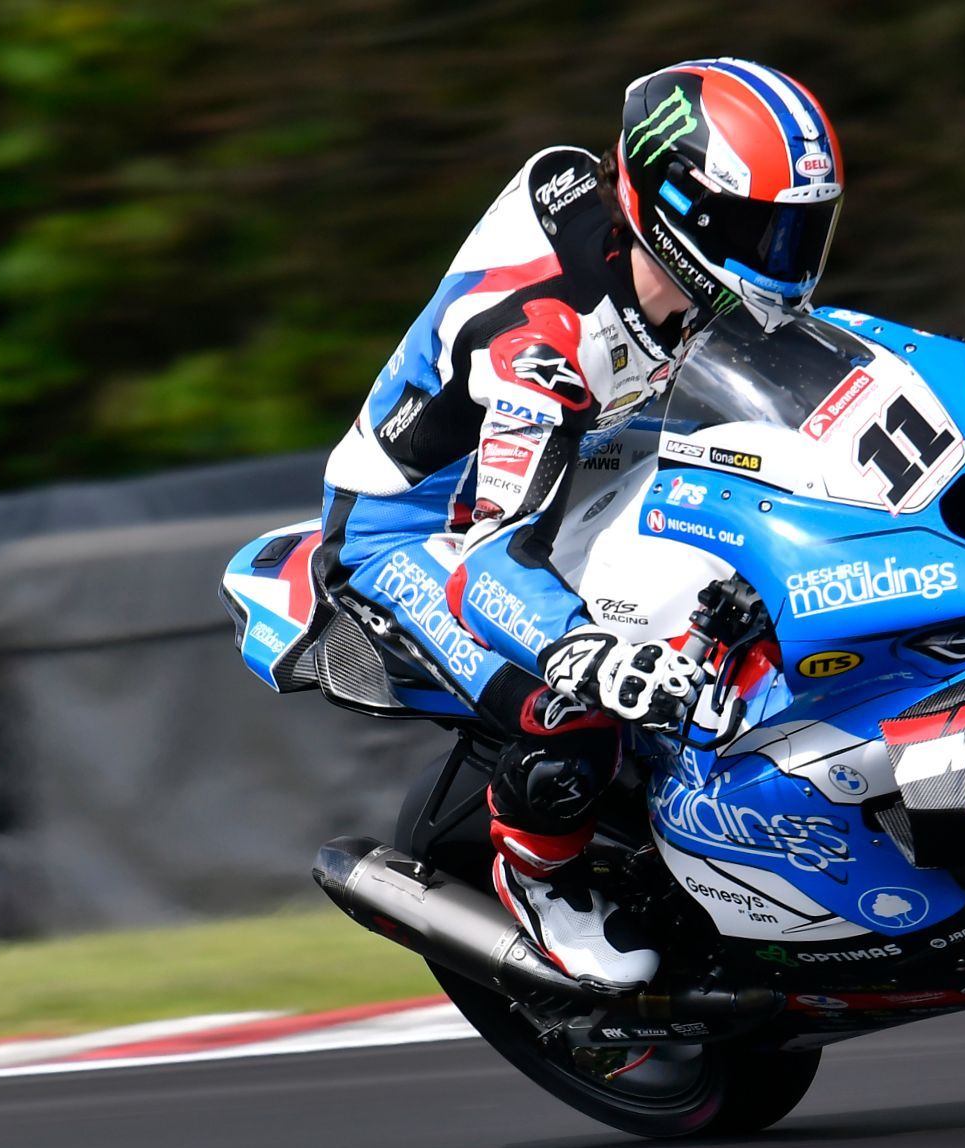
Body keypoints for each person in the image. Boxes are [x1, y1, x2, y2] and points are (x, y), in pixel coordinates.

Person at [316, 58, 844, 992]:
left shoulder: (664, 262)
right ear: (683, 215)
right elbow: (491, 555)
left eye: (802, 229)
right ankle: (542, 882)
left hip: (587, 454)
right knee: (581, 702)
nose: (787, 260)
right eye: (763, 230)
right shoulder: (544, 347)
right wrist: (582, 649)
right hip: (419, 530)